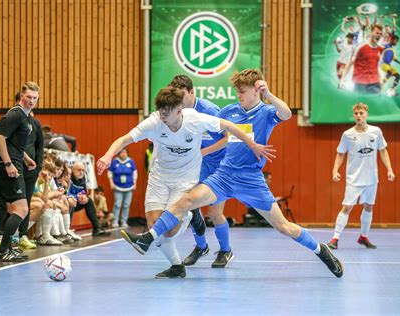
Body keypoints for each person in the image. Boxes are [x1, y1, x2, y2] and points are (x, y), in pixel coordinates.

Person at [120, 69, 344, 279]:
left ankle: (320, 250)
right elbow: (209, 130)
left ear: (257, 90)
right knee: (187, 200)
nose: (238, 95)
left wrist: (269, 94)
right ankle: (148, 239)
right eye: (236, 91)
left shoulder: (266, 112)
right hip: (224, 175)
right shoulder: (229, 111)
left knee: (284, 227)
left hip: (251, 180)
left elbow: (285, 113)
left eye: (242, 91)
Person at [96, 86, 273, 278]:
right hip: (159, 179)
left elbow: (229, 127)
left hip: (185, 180)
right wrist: (107, 156)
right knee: (155, 224)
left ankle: (189, 214)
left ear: (179, 110)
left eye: (167, 111)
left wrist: (252, 144)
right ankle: (177, 266)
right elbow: (123, 140)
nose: (163, 115)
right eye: (160, 110)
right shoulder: (154, 122)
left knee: (169, 231)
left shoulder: (195, 119)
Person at [168, 75, 231, 268]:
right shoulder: (178, 111)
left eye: (182, 96)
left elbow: (227, 138)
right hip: (198, 165)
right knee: (189, 204)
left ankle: (225, 250)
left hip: (219, 164)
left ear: (192, 92)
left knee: (214, 212)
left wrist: (203, 151)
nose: (179, 101)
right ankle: (201, 246)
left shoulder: (209, 110)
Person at [328, 103, 395, 250]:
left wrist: (389, 169)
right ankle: (335, 238)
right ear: (354, 115)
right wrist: (335, 170)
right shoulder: (347, 134)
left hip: (371, 178)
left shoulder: (376, 132)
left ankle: (363, 237)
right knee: (347, 207)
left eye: (361, 113)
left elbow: (383, 151)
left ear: (367, 115)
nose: (358, 116)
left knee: (369, 207)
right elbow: (340, 153)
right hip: (354, 179)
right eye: (356, 113)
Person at [0, 81, 39, 262]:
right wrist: (8, 163)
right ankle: (3, 250)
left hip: (17, 163)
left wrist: (26, 159)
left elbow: (13, 143)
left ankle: (7, 248)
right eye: (28, 97)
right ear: (21, 96)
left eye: (35, 98)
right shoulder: (15, 115)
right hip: (8, 167)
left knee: (13, 208)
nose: (31, 101)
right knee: (22, 209)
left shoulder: (26, 116)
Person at [339, 24, 384, 94]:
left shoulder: (380, 49)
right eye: (377, 33)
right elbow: (349, 63)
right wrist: (342, 80)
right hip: (360, 84)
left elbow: (374, 66)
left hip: (375, 84)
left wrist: (380, 80)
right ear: (370, 33)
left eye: (380, 34)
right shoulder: (360, 47)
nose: (379, 35)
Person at [69, 162, 109, 236]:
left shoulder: (83, 178)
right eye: (79, 170)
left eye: (83, 170)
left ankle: (97, 228)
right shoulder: (68, 177)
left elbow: (83, 191)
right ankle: (67, 230)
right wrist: (76, 197)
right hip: (67, 201)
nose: (81, 172)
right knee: (70, 201)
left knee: (88, 200)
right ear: (73, 170)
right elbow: (64, 192)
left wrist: (84, 197)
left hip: (76, 201)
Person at [107, 148, 137, 228]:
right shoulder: (114, 162)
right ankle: (115, 221)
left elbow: (134, 172)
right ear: (118, 154)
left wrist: (135, 183)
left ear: (127, 153)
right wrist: (111, 183)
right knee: (117, 204)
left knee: (126, 205)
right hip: (117, 187)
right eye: (121, 152)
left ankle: (124, 221)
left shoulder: (131, 161)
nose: (123, 154)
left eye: (125, 152)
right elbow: (110, 173)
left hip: (129, 186)